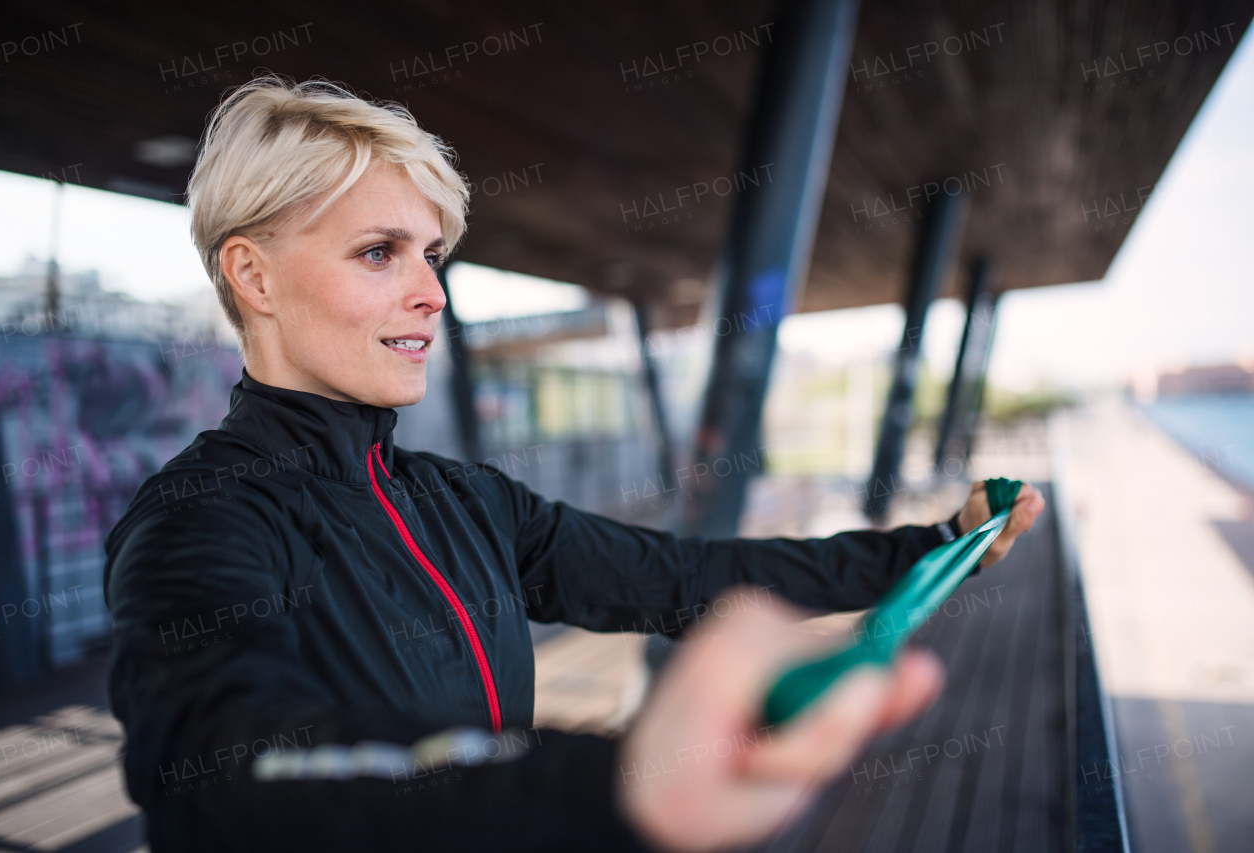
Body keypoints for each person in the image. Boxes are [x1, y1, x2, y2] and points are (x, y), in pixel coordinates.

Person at [103, 77, 1045, 853]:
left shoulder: (464, 500)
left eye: (432, 255)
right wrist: (621, 785)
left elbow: (685, 576)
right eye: (379, 253)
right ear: (253, 276)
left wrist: (927, 545)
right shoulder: (198, 516)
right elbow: (223, 763)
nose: (430, 292)